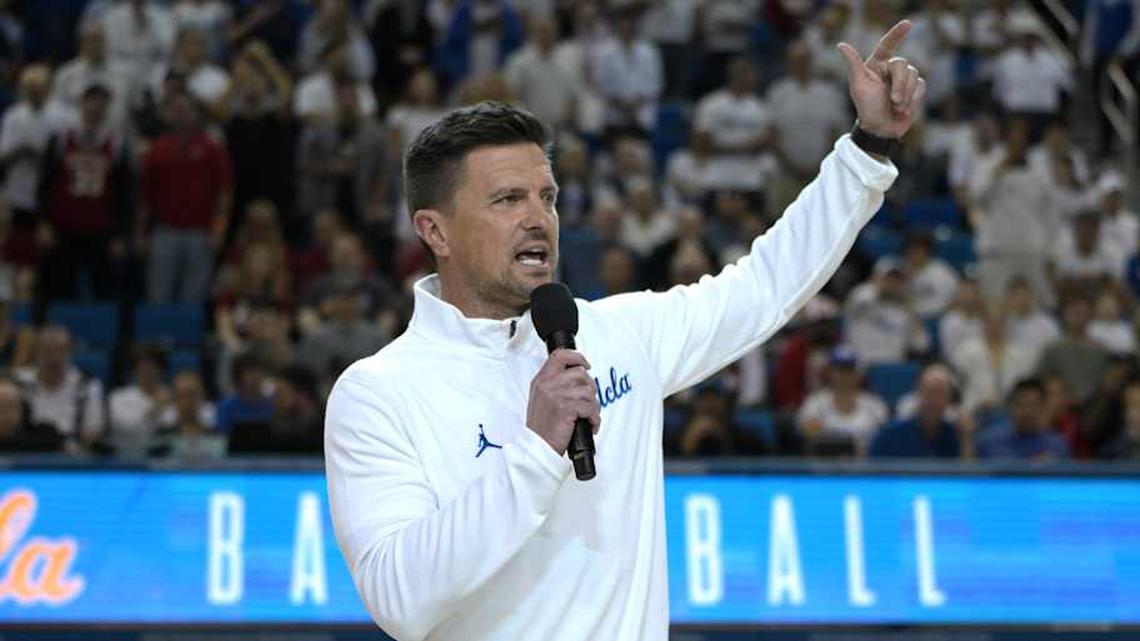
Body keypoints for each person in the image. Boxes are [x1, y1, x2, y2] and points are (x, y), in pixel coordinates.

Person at [324, 23, 924, 637]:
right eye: (507, 200)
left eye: (547, 196)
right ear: (434, 231)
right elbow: (399, 599)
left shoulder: (617, 334)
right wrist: (534, 453)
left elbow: (765, 286)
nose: (538, 219)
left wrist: (867, 146)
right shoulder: (378, 393)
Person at [36, 84, 129, 305]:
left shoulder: (115, 143)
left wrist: (119, 233)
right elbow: (45, 184)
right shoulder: (61, 139)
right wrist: (44, 222)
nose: (96, 107)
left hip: (100, 228)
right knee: (60, 286)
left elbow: (124, 192)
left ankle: (102, 336)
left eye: (102, 103)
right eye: (92, 101)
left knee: (103, 289)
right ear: (82, 104)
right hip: (64, 226)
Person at [139, 89, 233, 303]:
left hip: (200, 234)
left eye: (186, 109)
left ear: (196, 114)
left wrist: (218, 228)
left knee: (194, 296)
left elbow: (224, 193)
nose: (181, 114)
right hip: (164, 232)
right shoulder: (157, 149)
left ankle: (189, 338)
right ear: (168, 114)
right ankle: (159, 336)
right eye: (176, 110)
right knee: (158, 294)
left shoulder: (212, 148)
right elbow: (145, 195)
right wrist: (142, 232)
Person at [969, 118, 1058, 304]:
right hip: (996, 249)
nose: (1017, 140)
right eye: (1013, 135)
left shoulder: (1041, 169)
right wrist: (999, 170)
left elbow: (1050, 213)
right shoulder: (987, 163)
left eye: (1022, 136)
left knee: (1037, 303)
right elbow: (977, 199)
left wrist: (1049, 249)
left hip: (1031, 249)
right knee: (994, 303)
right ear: (1006, 137)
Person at [14, 326, 105, 453]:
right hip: (26, 454)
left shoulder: (88, 386)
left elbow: (93, 431)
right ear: (37, 352)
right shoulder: (19, 383)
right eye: (48, 351)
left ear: (70, 352)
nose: (54, 358)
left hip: (71, 457)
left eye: (60, 350)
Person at [796, 346, 889, 455]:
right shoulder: (815, 403)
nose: (844, 375)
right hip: (823, 467)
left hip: (865, 467)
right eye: (840, 370)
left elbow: (885, 438)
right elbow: (807, 433)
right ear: (830, 373)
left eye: (849, 370)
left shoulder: (874, 404)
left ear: (858, 374)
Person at [843, 257, 929, 365]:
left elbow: (921, 345)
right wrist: (878, 287)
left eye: (897, 280)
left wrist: (912, 312)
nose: (892, 283)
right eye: (888, 278)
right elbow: (859, 299)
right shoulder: (862, 297)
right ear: (876, 278)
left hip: (892, 369)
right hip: (860, 367)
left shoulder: (905, 312)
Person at [870, 364, 968, 458]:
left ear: (950, 399)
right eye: (930, 392)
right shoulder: (889, 436)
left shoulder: (956, 436)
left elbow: (967, 473)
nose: (934, 401)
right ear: (918, 394)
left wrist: (966, 439)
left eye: (941, 394)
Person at [502, 16, 575, 131]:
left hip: (560, 126)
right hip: (529, 127)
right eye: (542, 31)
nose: (546, 35)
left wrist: (567, 120)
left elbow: (571, 97)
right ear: (532, 33)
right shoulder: (519, 61)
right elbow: (512, 95)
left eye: (550, 31)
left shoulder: (566, 60)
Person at [1037, 294, 1109, 407]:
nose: (1078, 316)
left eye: (1082, 312)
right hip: (1063, 408)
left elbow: (1106, 383)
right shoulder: (1053, 349)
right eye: (1074, 311)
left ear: (1090, 315)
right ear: (1064, 314)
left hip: (1095, 409)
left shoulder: (1100, 349)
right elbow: (1040, 378)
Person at [977, 377, 1070, 460]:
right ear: (1011, 406)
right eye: (1021, 404)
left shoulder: (1057, 445)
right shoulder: (989, 440)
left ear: (1044, 407)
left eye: (1034, 405)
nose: (1027, 411)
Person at [107, 344, 171, 457]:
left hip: (167, 464)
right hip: (128, 460)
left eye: (153, 366)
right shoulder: (119, 397)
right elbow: (125, 429)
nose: (148, 371)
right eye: (143, 366)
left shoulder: (174, 395)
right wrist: (154, 410)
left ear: (161, 369)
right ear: (135, 369)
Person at [0, 376, 64, 453]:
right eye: (1, 407)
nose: (5, 414)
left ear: (22, 409)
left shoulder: (44, 438)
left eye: (11, 406)